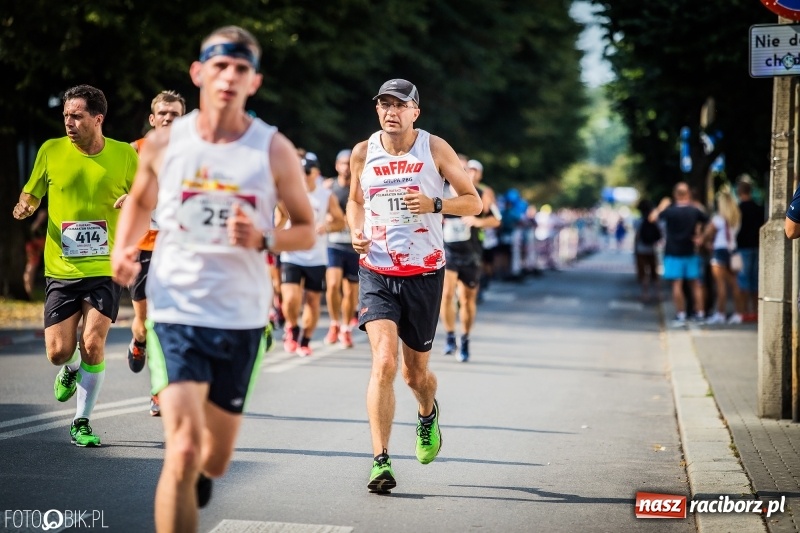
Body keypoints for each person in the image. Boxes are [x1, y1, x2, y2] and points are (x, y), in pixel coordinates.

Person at [111, 26, 314, 532]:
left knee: (215, 460)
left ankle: (202, 469)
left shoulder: (272, 149)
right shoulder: (162, 144)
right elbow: (138, 201)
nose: (229, 77)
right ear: (198, 73)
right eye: (219, 66)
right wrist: (123, 247)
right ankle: (186, 470)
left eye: (241, 69)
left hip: (242, 318)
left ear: (255, 81)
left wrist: (264, 239)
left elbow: (308, 230)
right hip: (176, 310)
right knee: (179, 449)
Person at [347, 78, 482, 493]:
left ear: (415, 112)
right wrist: (356, 229)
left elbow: (474, 202)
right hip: (377, 269)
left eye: (399, 105)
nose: (390, 112)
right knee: (384, 362)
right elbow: (354, 201)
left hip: (424, 272)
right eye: (384, 104)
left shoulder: (433, 148)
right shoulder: (362, 152)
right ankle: (380, 461)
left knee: (414, 375)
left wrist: (434, 203)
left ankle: (427, 415)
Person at [12, 84, 137, 447]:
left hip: (104, 267)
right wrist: (26, 205)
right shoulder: (51, 150)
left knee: (93, 343)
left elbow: (150, 197)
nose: (68, 122)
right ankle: (70, 369)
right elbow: (31, 191)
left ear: (97, 119)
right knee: (59, 352)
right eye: (66, 115)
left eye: (77, 116)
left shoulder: (125, 155)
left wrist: (134, 198)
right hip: (62, 269)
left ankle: (81, 421)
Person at [128, 90, 187, 417]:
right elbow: (120, 186)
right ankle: (138, 343)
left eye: (174, 114)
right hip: (143, 246)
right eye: (163, 113)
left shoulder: (193, 153)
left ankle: (159, 391)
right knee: (145, 322)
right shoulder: (134, 151)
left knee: (172, 321)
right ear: (152, 118)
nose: (167, 118)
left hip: (177, 246)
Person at [278, 151, 345, 356]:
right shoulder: (288, 192)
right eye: (300, 171)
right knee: (290, 299)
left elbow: (340, 221)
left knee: (313, 301)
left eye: (307, 171)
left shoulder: (326, 195)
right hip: (291, 254)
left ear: (316, 173)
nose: (303, 175)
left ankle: (305, 340)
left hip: (316, 256)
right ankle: (292, 327)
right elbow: (278, 222)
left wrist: (327, 226)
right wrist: (281, 220)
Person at [440, 157, 501, 362]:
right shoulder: (442, 190)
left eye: (474, 170)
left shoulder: (482, 194)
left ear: (479, 175)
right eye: (467, 169)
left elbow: (496, 219)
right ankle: (449, 336)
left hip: (472, 254)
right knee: (446, 294)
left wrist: (477, 221)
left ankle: (464, 339)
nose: (470, 173)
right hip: (447, 252)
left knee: (467, 300)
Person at [649, 182, 708, 327]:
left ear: (675, 195)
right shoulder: (695, 211)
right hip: (690, 251)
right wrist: (701, 237)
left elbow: (652, 218)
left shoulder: (670, 211)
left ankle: (681, 314)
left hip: (673, 252)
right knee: (695, 284)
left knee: (677, 284)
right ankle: (700, 313)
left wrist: (662, 205)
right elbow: (710, 221)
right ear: (688, 194)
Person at [324, 149, 360, 348]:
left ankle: (346, 328)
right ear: (337, 165)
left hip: (354, 246)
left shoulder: (359, 187)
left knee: (350, 291)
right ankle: (334, 324)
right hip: (334, 244)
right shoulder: (329, 187)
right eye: (343, 164)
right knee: (332, 286)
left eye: (349, 164)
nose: (346, 168)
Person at [703, 187, 742, 325]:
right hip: (733, 251)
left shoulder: (717, 219)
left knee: (720, 285)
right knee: (734, 284)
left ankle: (720, 313)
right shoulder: (736, 218)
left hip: (719, 251)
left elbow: (706, 235)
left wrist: (705, 241)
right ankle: (738, 314)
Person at [735, 177, 764, 322]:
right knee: (755, 280)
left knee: (743, 280)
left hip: (743, 248)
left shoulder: (738, 209)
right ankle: (756, 311)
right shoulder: (758, 208)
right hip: (756, 246)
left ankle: (744, 311)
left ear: (739, 192)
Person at [633, 199, 661, 303]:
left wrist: (635, 249)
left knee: (644, 273)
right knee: (654, 273)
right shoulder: (654, 220)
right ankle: (658, 294)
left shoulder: (638, 221)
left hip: (641, 250)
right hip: (652, 249)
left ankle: (645, 294)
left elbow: (637, 236)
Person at [23, 206, 48, 298]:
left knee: (31, 265)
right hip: (41, 238)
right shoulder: (42, 198)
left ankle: (29, 291)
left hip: (31, 238)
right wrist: (34, 227)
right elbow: (43, 213)